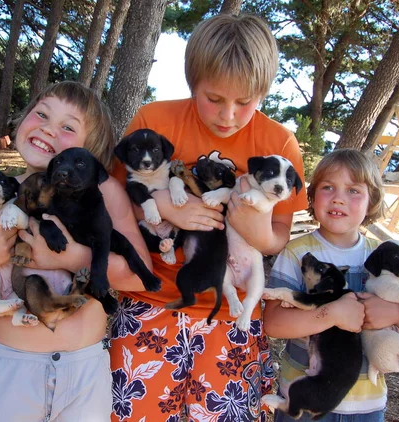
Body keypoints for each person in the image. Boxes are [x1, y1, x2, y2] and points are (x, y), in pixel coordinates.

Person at [109, 14, 308, 421]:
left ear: (264, 93)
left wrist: (259, 234)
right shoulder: (154, 121)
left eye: (245, 102)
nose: (229, 115)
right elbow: (116, 200)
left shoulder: (279, 143)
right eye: (214, 98)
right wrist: (162, 206)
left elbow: (280, 232)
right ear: (192, 82)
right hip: (153, 302)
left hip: (233, 313)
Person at [0, 81, 153, 422]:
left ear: (90, 148)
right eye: (41, 114)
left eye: (68, 127)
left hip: (84, 376)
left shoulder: (105, 192)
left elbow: (138, 278)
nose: (48, 129)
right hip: (8, 372)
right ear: (22, 120)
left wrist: (70, 258)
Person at [264, 148, 399, 421]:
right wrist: (332, 314)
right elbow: (273, 324)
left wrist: (397, 314)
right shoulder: (297, 252)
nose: (339, 198)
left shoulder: (387, 257)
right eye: (328, 187)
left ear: (371, 200)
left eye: (353, 190)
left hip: (367, 404)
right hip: (301, 400)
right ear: (311, 197)